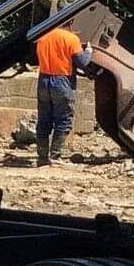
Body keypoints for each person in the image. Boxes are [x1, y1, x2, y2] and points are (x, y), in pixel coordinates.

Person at [32, 23, 94, 165]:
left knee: (44, 120)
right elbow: (82, 62)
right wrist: (89, 51)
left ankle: (42, 157)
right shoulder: (71, 38)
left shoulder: (42, 36)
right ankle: (55, 156)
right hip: (62, 81)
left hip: (43, 80)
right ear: (70, 22)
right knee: (63, 120)